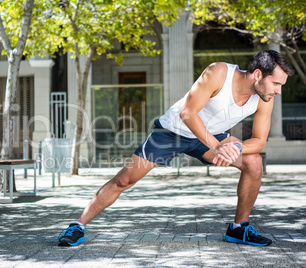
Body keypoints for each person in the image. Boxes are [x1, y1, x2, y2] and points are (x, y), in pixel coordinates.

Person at [57, 50, 295, 247]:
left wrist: (236, 148)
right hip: (173, 131)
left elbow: (260, 141)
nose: (278, 90)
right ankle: (77, 225)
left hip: (210, 137)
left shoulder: (266, 98)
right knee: (124, 180)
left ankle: (238, 228)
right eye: (276, 83)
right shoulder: (219, 72)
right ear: (257, 74)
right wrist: (219, 147)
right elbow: (188, 113)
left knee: (253, 162)